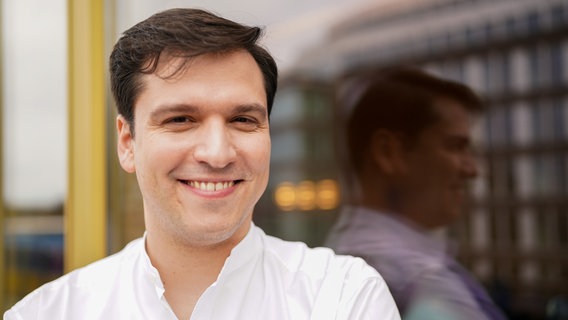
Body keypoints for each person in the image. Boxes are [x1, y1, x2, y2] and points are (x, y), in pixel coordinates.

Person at [4, 8, 400, 320]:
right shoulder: (46, 314)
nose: (217, 153)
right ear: (127, 143)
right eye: (181, 120)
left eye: (243, 120)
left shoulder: (343, 299)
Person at [326, 66, 508, 320]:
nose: (472, 170)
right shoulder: (420, 282)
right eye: (455, 146)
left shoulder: (337, 261)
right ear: (389, 153)